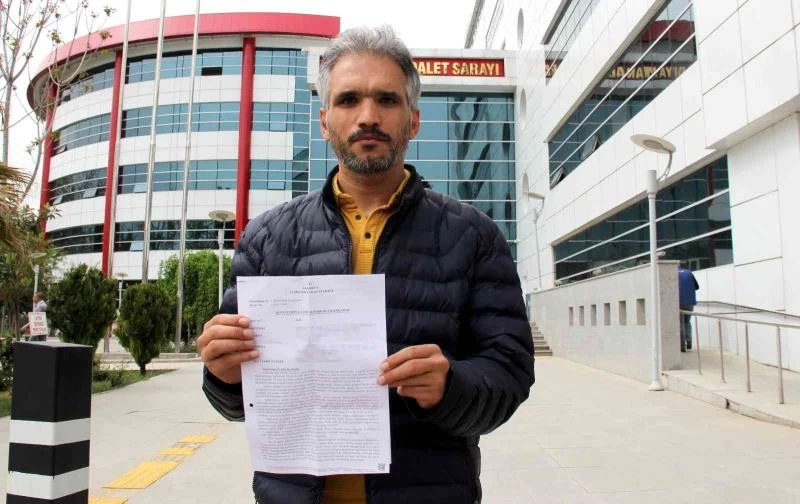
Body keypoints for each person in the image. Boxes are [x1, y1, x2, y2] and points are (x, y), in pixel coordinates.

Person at [197, 25, 534, 504]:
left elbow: (510, 374)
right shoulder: (267, 239)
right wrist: (223, 374)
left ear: (413, 121)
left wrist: (450, 387)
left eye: (387, 100)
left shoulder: (473, 236)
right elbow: (238, 403)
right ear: (324, 121)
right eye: (349, 99)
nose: (368, 116)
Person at [678, 267, 699, 352]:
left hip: (679, 302)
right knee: (687, 321)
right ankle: (689, 342)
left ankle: (682, 346)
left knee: (681, 323)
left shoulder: (673, 273)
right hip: (690, 302)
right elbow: (697, 287)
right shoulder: (689, 272)